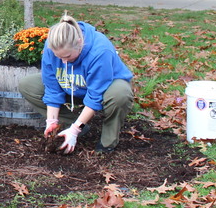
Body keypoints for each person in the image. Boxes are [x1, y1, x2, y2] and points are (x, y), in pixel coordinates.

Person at [18, 13, 133, 154]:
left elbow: (95, 95)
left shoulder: (100, 51)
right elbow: (52, 88)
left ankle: (107, 142)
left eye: (67, 56)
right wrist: (51, 121)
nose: (64, 62)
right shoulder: (52, 46)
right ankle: (74, 123)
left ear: (79, 43)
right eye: (59, 57)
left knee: (120, 94)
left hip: (106, 88)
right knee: (28, 85)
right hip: (72, 86)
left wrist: (74, 130)